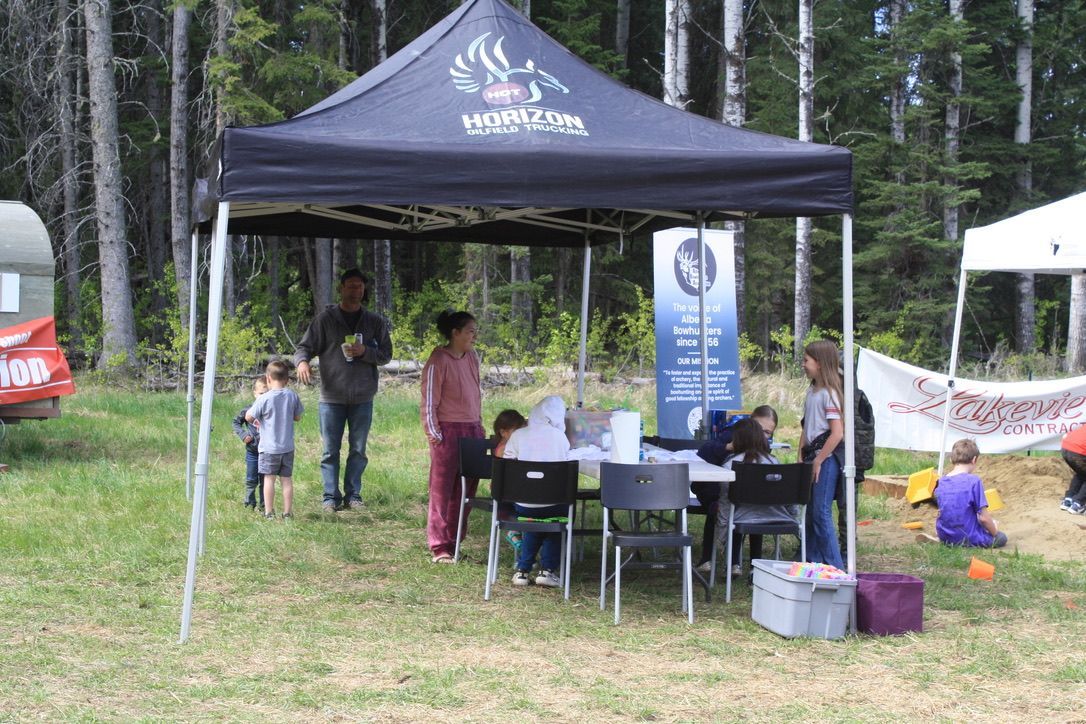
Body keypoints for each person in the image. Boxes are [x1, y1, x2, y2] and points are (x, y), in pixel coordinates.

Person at [295, 268, 393, 512]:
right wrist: (302, 362)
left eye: (359, 286)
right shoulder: (325, 320)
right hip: (331, 397)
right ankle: (330, 496)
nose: (355, 290)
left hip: (362, 396)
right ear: (341, 288)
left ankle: (353, 495)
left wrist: (365, 352)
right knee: (330, 450)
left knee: (358, 449)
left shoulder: (374, 321)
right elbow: (303, 347)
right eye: (351, 285)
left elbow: (386, 355)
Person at [421, 310, 484, 564]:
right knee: (442, 489)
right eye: (470, 331)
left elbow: (476, 392)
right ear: (455, 333)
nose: (474, 336)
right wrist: (435, 433)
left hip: (472, 430)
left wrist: (478, 426)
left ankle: (455, 540)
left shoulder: (472, 357)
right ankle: (439, 546)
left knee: (467, 490)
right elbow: (429, 400)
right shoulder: (438, 360)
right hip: (447, 431)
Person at [694, 405, 778, 571]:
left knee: (750, 505)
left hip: (748, 501)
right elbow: (704, 451)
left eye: (767, 433)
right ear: (750, 423)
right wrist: (728, 447)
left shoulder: (765, 450)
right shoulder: (732, 433)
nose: (761, 435)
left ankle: (745, 563)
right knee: (726, 504)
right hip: (719, 492)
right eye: (759, 429)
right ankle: (722, 560)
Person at [712, 417, 796, 577]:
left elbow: (725, 502)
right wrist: (792, 516)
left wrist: (722, 535)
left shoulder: (730, 466)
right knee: (758, 509)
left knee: (740, 513)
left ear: (737, 440)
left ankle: (733, 564)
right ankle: (754, 568)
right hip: (775, 517)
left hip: (741, 518)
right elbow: (788, 497)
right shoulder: (775, 463)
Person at [503, 395, 571, 588]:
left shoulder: (519, 435)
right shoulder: (560, 437)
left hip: (523, 504)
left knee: (532, 521)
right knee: (554, 524)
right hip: (554, 503)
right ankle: (547, 570)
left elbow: (508, 466)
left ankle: (522, 571)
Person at [799, 339, 845, 568]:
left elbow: (837, 433)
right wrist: (801, 453)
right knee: (810, 515)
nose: (803, 364)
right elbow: (806, 425)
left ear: (819, 363)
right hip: (811, 457)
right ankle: (813, 562)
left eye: (806, 360)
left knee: (820, 513)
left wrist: (818, 459)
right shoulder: (811, 391)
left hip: (825, 460)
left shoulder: (829, 394)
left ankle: (836, 566)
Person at [246, 360, 304, 520]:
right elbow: (297, 417)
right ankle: (287, 513)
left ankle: (269, 512)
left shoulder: (264, 399)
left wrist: (258, 421)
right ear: (287, 379)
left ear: (268, 378)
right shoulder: (292, 395)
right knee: (286, 480)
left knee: (269, 479)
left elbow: (248, 416)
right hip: (287, 447)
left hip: (268, 448)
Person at [924, 438, 1007, 548]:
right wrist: (995, 531)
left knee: (966, 516)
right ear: (974, 460)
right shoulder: (974, 481)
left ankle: (943, 540)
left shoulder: (940, 481)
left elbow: (946, 509)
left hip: (944, 535)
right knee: (1002, 538)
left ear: (951, 460)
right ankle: (962, 541)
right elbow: (984, 518)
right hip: (968, 537)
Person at [233, 378, 268, 511]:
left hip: (267, 451)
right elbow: (235, 422)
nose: (263, 396)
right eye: (261, 393)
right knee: (251, 478)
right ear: (254, 393)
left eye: (266, 393)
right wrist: (243, 435)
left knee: (265, 479)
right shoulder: (248, 409)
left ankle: (264, 504)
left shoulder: (271, 411)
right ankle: (249, 503)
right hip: (252, 451)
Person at [1058, 424, 1086, 515]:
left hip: (1066, 447)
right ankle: (1078, 504)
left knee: (1081, 473)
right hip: (1078, 452)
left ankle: (1068, 500)